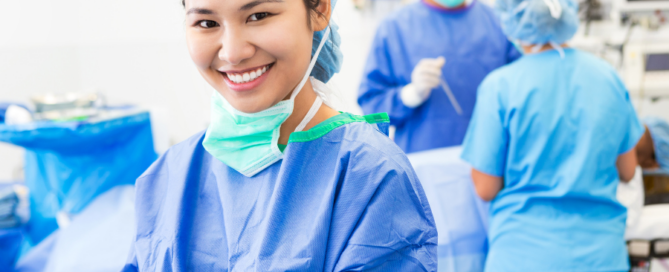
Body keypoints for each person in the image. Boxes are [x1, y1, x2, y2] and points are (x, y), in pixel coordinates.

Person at [122, 0, 438, 270]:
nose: (233, 53)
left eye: (258, 15)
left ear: (320, 9)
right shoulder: (167, 177)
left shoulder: (368, 175)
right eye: (207, 22)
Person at [459, 0, 644, 270]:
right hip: (600, 256)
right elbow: (628, 171)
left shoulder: (500, 86)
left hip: (524, 256)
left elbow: (486, 188)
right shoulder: (607, 77)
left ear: (515, 20)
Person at [357, 0, 521, 154]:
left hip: (491, 161)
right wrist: (410, 95)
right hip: (425, 166)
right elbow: (371, 103)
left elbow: (523, 92)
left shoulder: (498, 23)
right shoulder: (394, 28)